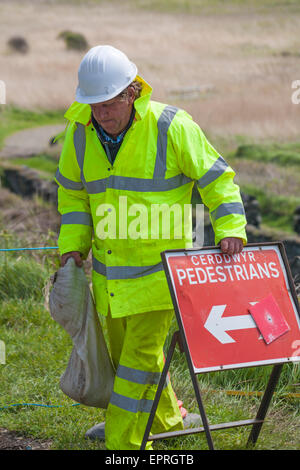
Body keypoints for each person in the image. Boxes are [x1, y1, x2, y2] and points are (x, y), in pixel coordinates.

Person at [55, 45, 247, 450]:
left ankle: (123, 443)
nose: (102, 114)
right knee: (128, 354)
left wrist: (231, 226)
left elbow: (217, 178)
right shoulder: (79, 133)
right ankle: (169, 421)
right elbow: (74, 196)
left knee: (136, 364)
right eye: (94, 105)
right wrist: (74, 245)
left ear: (132, 92)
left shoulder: (171, 126)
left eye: (110, 104)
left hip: (161, 276)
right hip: (110, 280)